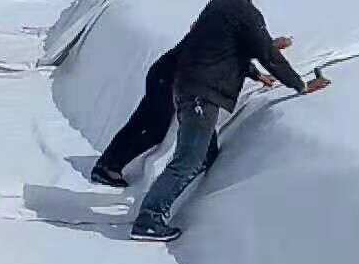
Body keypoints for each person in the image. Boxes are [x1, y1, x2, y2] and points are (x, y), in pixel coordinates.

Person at [129, 0, 329, 241]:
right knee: (188, 161)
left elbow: (226, 49)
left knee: (206, 155)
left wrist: (253, 73)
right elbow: (268, 55)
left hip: (188, 88)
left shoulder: (219, 5)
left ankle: (178, 205)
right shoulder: (246, 14)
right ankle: (149, 219)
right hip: (202, 96)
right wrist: (300, 85)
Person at [90, 37, 288, 188]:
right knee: (153, 131)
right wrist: (259, 70)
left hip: (163, 73)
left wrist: (262, 59)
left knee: (139, 122)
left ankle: (107, 164)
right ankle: (110, 166)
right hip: (169, 79)